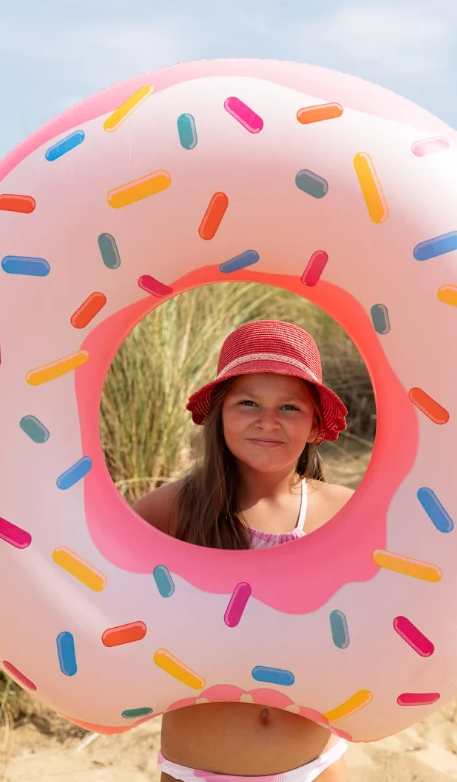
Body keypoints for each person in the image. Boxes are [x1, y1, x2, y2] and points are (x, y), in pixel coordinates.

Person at [132, 319, 355, 782]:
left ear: (315, 425)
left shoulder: (342, 513)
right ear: (221, 414)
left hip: (314, 766)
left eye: (289, 407)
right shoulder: (172, 509)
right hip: (197, 766)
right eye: (247, 402)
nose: (267, 420)